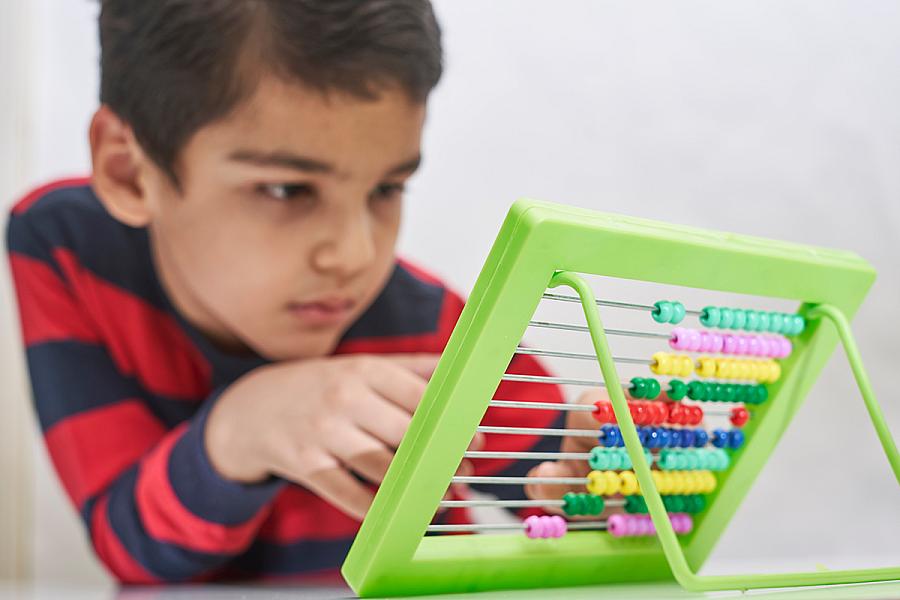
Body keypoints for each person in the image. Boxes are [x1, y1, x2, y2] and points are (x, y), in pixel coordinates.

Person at [6, 0, 573, 583]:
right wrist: (238, 430)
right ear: (129, 171)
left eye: (387, 188)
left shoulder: (429, 325)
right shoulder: (65, 249)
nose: (356, 257)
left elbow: (565, 491)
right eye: (287, 190)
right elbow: (130, 551)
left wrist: (601, 490)